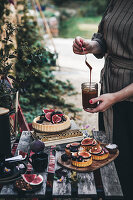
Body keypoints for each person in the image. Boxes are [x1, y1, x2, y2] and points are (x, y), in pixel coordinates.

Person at [73, 0, 133, 199]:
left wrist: (116, 97)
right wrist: (91, 46)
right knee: (112, 157)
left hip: (125, 98)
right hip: (110, 92)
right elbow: (105, 41)